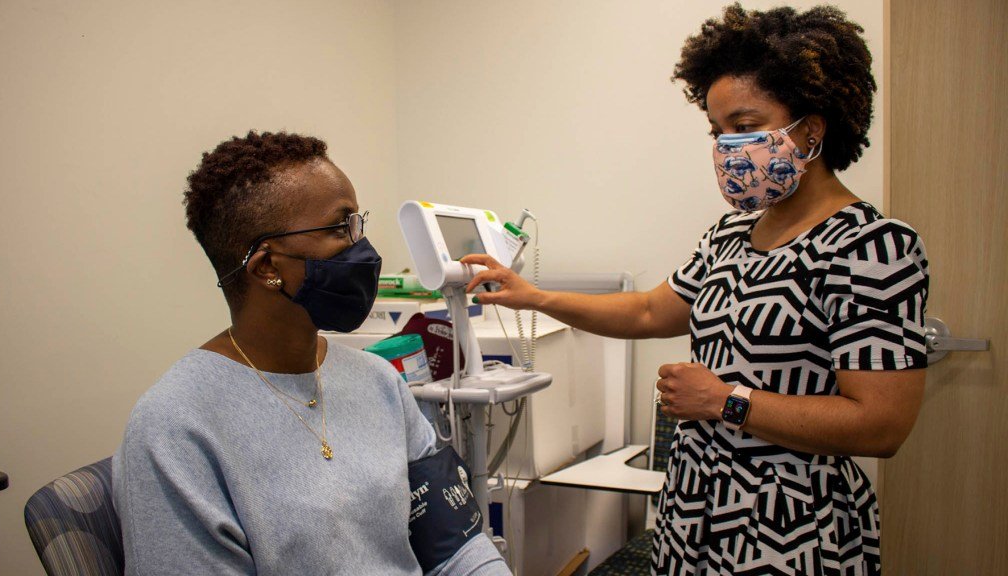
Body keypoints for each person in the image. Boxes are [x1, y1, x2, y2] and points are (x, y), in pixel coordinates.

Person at [462, 4, 927, 575]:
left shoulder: (873, 246)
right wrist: (530, 295)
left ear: (811, 128)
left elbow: (881, 425)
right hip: (694, 506)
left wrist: (724, 401)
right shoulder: (732, 233)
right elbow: (648, 311)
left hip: (792, 522)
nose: (726, 146)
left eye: (745, 125)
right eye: (718, 130)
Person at [113, 131, 509, 575]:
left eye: (358, 223)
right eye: (341, 227)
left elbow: (456, 546)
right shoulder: (175, 427)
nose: (362, 246)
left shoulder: (378, 381)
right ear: (267, 267)